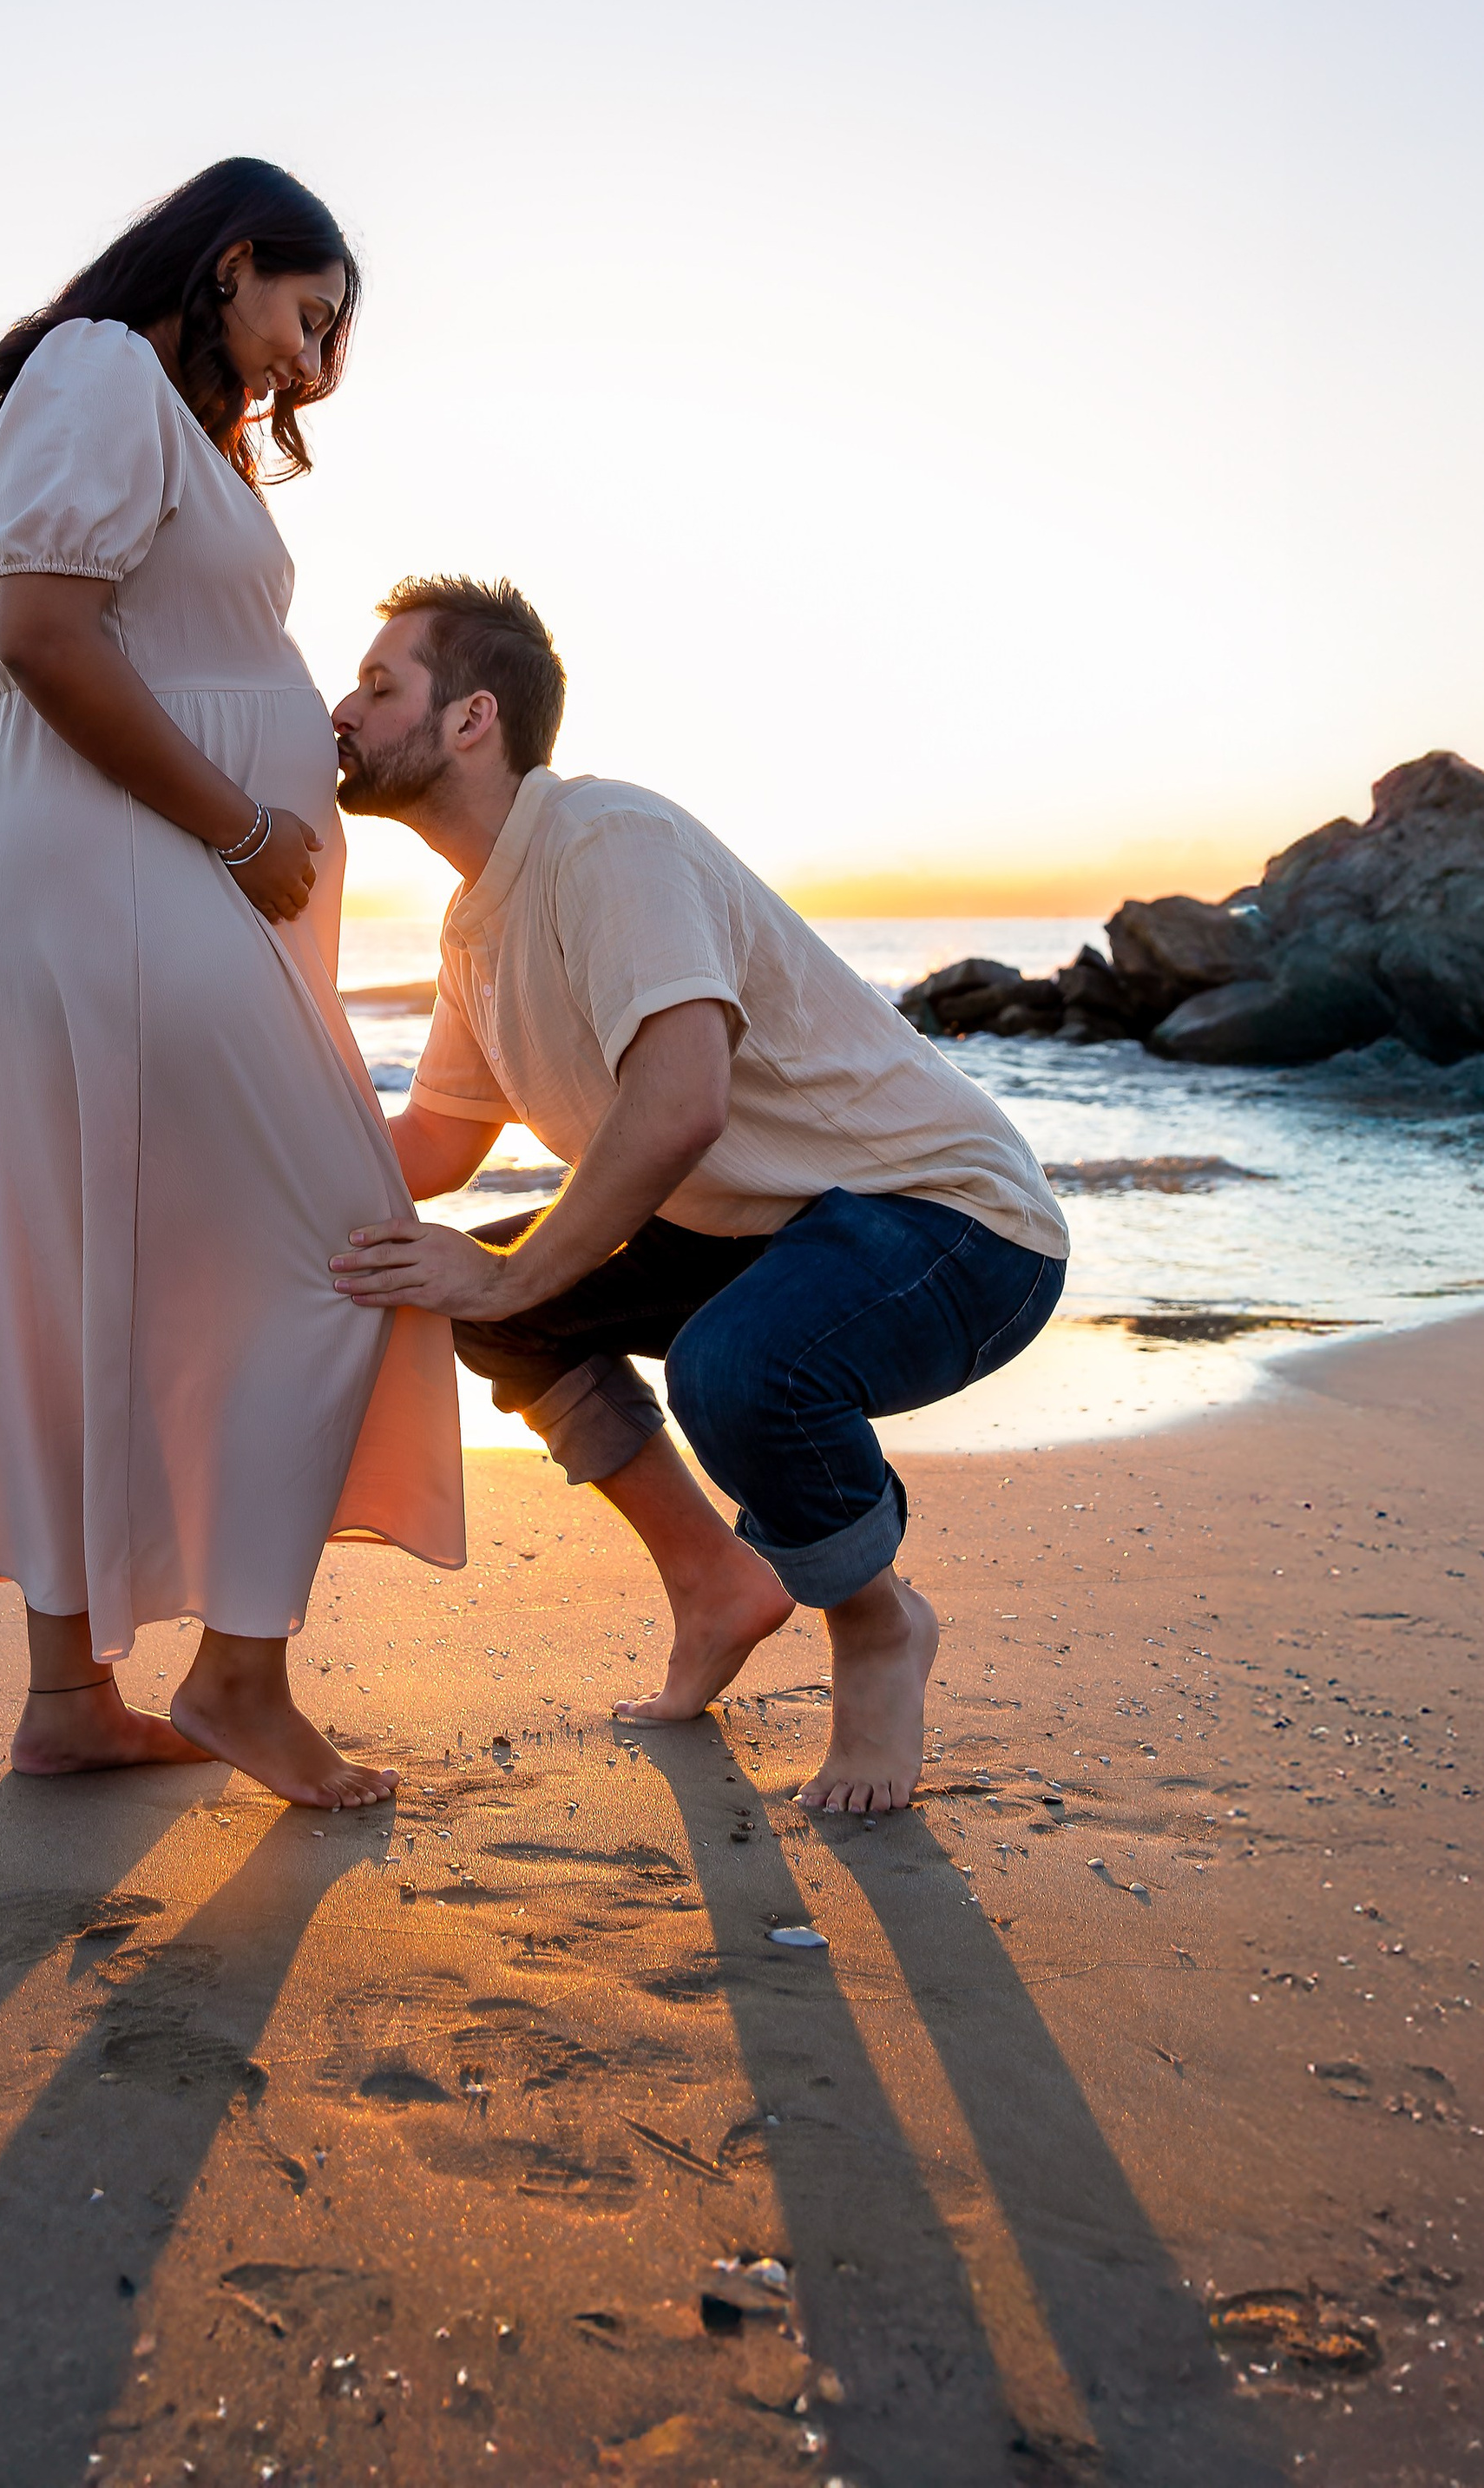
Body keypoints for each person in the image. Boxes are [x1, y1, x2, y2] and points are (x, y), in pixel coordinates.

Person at [0, 163, 463, 1810]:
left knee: (100, 1264)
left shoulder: (160, 419)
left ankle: (71, 1696)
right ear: (232, 260)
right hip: (124, 868)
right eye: (305, 311)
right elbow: (48, 638)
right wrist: (246, 825)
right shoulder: (102, 370)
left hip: (130, 872)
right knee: (347, 1239)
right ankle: (240, 1679)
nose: (311, 359)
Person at [326, 577, 1067, 1814]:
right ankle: (715, 1582)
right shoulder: (472, 923)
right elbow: (436, 1147)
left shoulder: (607, 838)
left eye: (377, 684)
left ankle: (877, 1627)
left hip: (952, 1225)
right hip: (761, 1231)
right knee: (478, 1303)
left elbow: (679, 1105)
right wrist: (229, 1159)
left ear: (471, 720)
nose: (341, 709)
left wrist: (515, 1266)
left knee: (734, 1369)